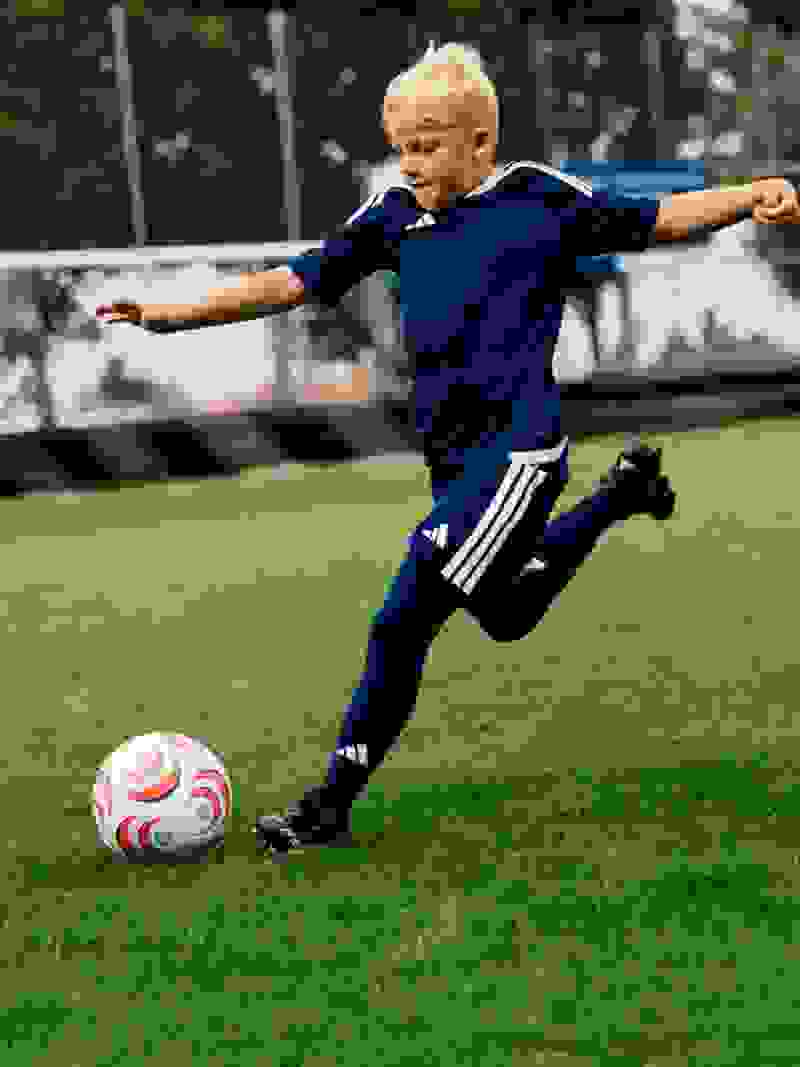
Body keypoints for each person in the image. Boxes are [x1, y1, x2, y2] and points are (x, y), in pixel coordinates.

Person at [97, 43, 800, 860]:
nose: (411, 161)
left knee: (403, 616)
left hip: (520, 454)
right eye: (402, 145)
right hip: (455, 464)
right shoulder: (394, 216)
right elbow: (290, 281)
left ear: (479, 144)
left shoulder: (536, 198)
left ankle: (328, 804)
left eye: (427, 145)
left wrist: (750, 195)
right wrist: (168, 315)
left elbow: (656, 218)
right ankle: (622, 495)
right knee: (503, 611)